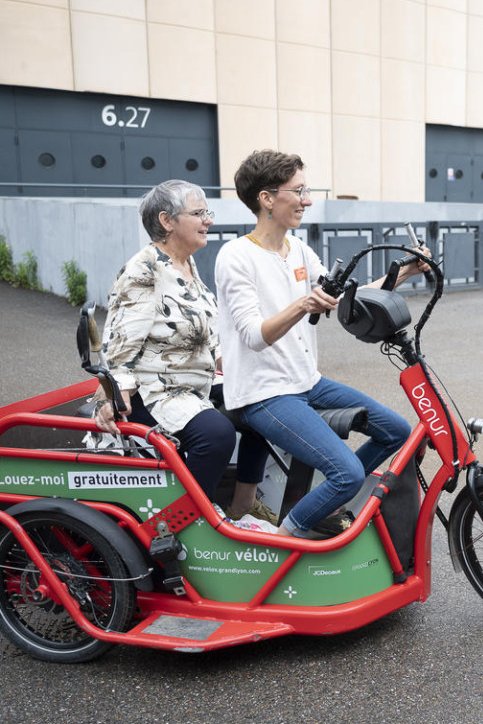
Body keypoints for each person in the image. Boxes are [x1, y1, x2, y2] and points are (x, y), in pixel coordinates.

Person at [215, 150, 430, 538]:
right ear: (266, 198)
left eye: (307, 190)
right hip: (264, 393)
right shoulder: (236, 256)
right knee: (346, 473)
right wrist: (302, 304)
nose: (308, 200)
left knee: (396, 431)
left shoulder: (298, 250)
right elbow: (253, 335)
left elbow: (350, 298)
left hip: (306, 382)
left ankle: (319, 506)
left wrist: (404, 272)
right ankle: (284, 541)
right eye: (298, 191)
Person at [93, 180, 274, 523]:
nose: (208, 220)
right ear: (167, 221)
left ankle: (242, 506)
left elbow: (210, 337)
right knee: (216, 434)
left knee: (264, 399)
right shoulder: (144, 270)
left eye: (208, 212)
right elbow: (119, 344)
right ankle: (180, 524)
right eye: (199, 213)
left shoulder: (186, 266)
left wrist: (250, 371)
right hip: (155, 391)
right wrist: (112, 397)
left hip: (193, 387)